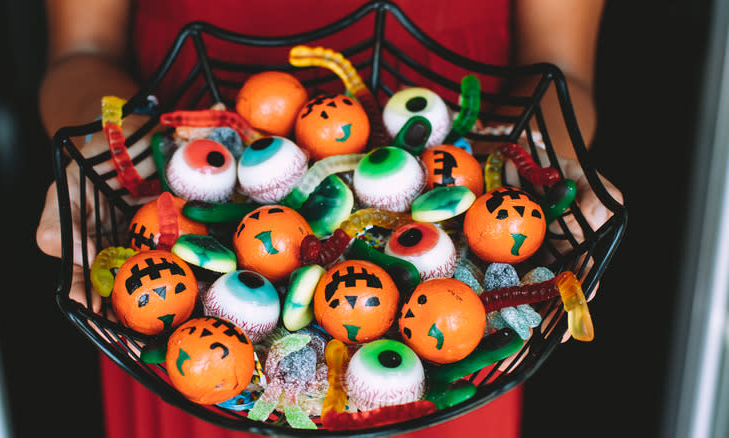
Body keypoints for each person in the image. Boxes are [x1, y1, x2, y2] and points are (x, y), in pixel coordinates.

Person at [36, 0, 622, 437]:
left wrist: (544, 163)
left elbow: (562, 67)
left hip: (450, 371)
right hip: (187, 354)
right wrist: (111, 153)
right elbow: (81, 54)